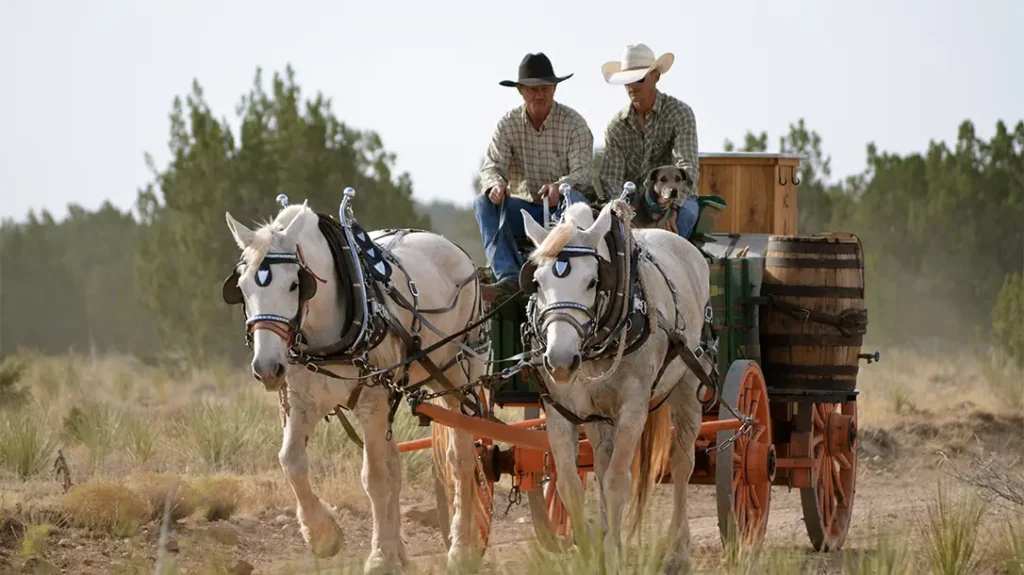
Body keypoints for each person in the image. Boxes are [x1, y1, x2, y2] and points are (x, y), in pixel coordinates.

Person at [475, 52, 595, 298]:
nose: (539, 94)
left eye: (545, 88)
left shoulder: (574, 124)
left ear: (554, 89)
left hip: (565, 208)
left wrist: (560, 187)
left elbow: (583, 172)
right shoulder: (507, 124)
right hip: (523, 210)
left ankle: (570, 276)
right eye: (532, 89)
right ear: (520, 91)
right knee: (483, 202)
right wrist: (495, 186)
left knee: (576, 202)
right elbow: (492, 166)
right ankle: (509, 278)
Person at [598, 43, 700, 238]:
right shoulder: (616, 127)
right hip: (634, 204)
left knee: (675, 228)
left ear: (656, 77)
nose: (632, 86)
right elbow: (611, 179)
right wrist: (623, 211)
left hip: (679, 198)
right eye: (627, 81)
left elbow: (688, 166)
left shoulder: (680, 114)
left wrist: (673, 208)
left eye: (639, 79)